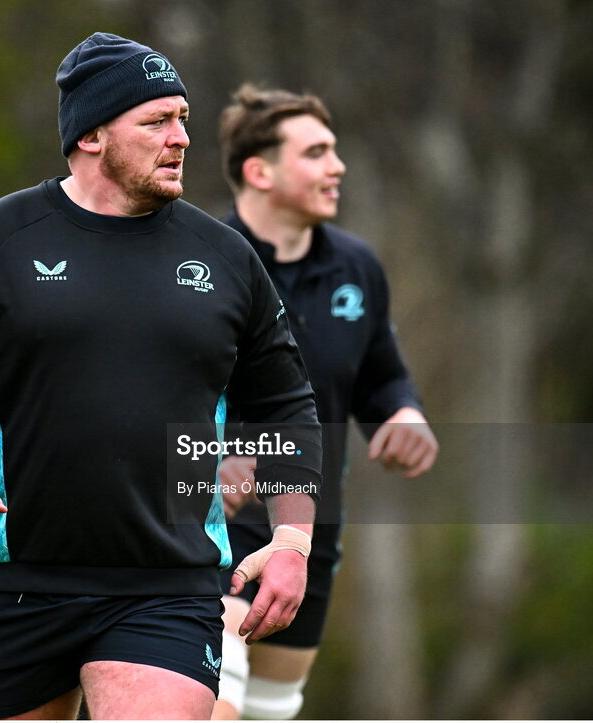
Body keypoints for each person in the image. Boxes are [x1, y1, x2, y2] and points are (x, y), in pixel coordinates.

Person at [0, 36, 322, 721]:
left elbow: (285, 404)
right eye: (156, 122)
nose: (181, 138)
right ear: (90, 135)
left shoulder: (223, 258)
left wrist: (292, 541)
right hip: (13, 581)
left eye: (183, 118)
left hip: (168, 583)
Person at [211, 85, 439, 720]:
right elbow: (144, 393)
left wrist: (404, 414)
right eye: (316, 153)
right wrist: (203, 458)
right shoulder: (198, 263)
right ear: (260, 171)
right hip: (207, 528)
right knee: (211, 702)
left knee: (270, 709)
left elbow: (382, 376)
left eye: (335, 151)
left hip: (310, 530)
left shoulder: (357, 267)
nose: (337, 167)